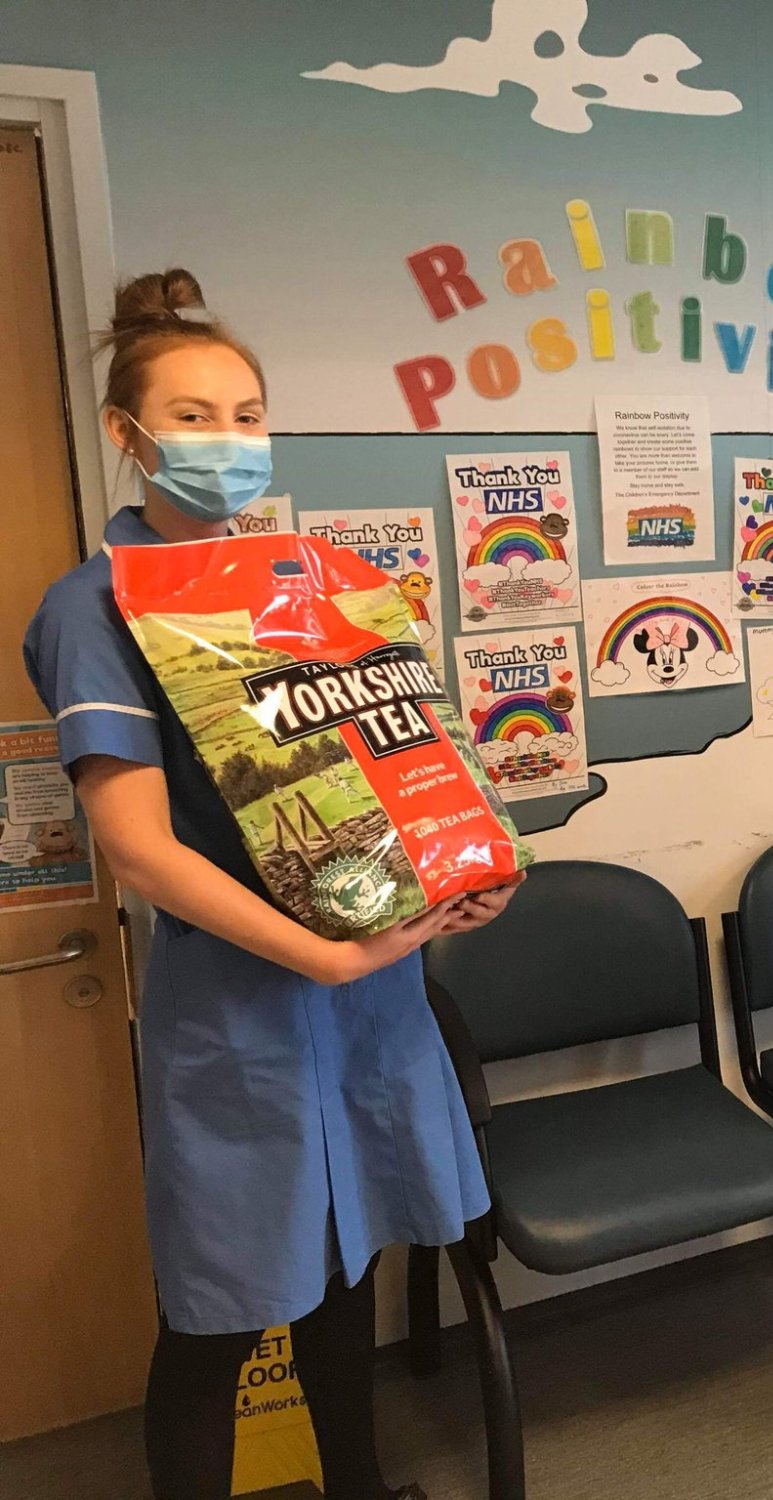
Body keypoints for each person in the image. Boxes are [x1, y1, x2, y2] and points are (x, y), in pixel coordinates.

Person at [23, 269, 515, 1500]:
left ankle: (357, 1488)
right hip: (243, 1010)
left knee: (343, 1281)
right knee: (224, 1313)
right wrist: (327, 958)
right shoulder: (93, 609)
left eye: (247, 413)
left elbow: (394, 776)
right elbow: (137, 848)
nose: (229, 442)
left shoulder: (305, 585)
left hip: (372, 992)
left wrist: (464, 870)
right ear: (127, 436)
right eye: (193, 417)